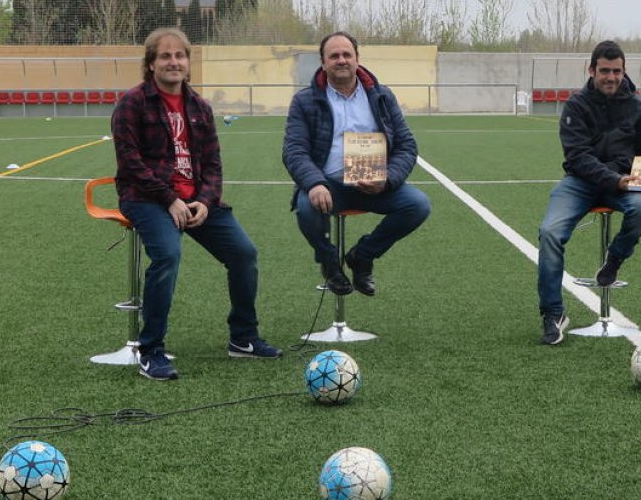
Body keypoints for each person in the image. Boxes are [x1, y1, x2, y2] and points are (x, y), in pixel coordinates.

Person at [112, 28, 280, 381]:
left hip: (195, 202)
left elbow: (213, 164)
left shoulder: (199, 107)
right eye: (165, 56)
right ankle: (151, 350)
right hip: (147, 199)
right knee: (168, 256)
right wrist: (169, 198)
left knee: (243, 253)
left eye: (180, 56)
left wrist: (204, 201)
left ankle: (243, 338)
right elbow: (130, 161)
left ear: (188, 62)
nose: (174, 62)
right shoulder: (133, 102)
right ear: (151, 64)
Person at [283, 31, 431, 297]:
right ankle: (330, 266)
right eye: (334, 56)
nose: (341, 60)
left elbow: (407, 146)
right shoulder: (305, 100)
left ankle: (362, 256)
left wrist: (386, 179)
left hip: (373, 184)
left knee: (418, 204)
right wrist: (314, 183)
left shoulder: (382, 96)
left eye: (346, 54)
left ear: (357, 59)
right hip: (327, 184)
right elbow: (294, 151)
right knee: (307, 208)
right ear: (323, 62)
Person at [536, 40, 641, 345]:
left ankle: (613, 260)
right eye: (604, 71)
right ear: (591, 71)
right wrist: (613, 180)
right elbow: (577, 157)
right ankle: (553, 313)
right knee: (549, 232)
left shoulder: (637, 106)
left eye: (616, 71)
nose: (611, 77)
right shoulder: (576, 106)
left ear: (624, 71)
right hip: (580, 183)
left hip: (623, 181)